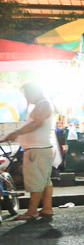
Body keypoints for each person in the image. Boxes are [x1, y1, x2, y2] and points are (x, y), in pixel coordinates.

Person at [0, 82, 59, 220]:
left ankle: (32, 211)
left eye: (27, 93)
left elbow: (37, 123)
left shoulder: (43, 104)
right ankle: (47, 208)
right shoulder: (43, 104)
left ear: (34, 92)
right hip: (40, 149)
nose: (26, 97)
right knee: (44, 181)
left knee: (36, 181)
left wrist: (17, 133)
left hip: (37, 150)